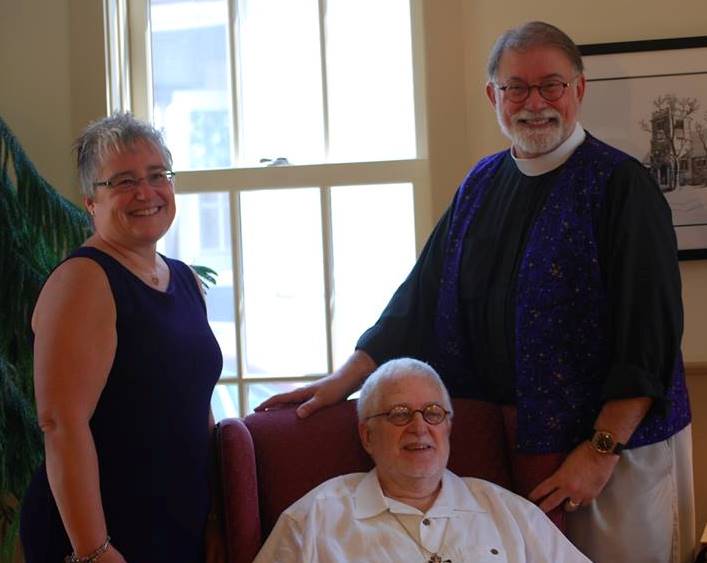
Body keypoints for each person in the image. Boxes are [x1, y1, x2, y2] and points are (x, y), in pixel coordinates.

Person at [258, 21, 695, 562]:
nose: (534, 103)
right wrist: (342, 381)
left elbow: (649, 338)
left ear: (579, 89)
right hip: (509, 446)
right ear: (493, 96)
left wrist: (601, 451)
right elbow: (417, 302)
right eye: (516, 88)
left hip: (615, 451)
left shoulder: (622, 186)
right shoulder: (481, 185)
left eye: (551, 85)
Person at [20, 113, 223, 562]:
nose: (145, 192)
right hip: (102, 536)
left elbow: (197, 403)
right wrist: (94, 550)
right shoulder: (84, 280)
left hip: (178, 526)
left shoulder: (185, 279)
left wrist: (214, 516)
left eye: (157, 175)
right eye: (124, 181)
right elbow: (61, 424)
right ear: (91, 202)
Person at [254, 358, 590, 563]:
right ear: (367, 435)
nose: (419, 428)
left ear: (448, 428)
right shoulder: (313, 519)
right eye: (399, 414)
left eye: (432, 413)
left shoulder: (509, 513)